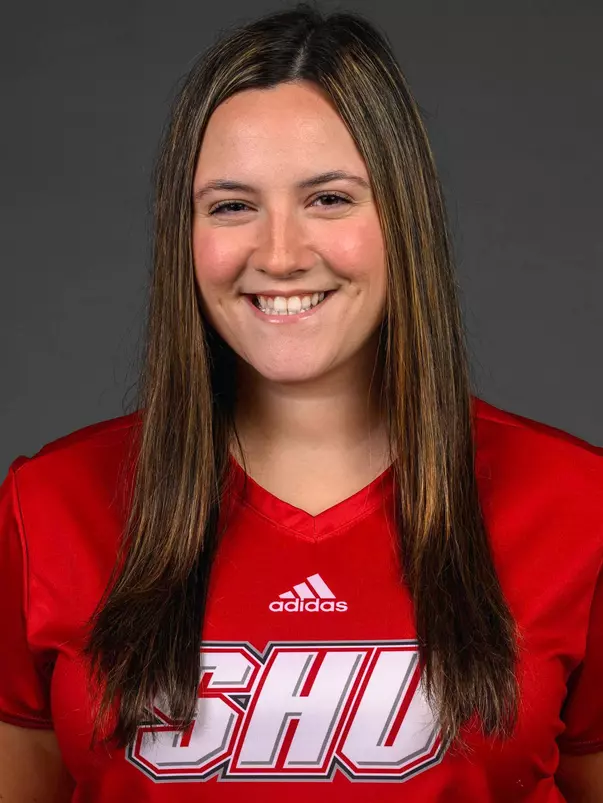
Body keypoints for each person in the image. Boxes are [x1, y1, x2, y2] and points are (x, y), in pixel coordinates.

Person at [0, 3, 601, 801]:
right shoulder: (48, 508)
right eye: (231, 205)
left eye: (328, 198)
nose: (279, 255)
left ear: (403, 220)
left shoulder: (577, 505)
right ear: (185, 234)